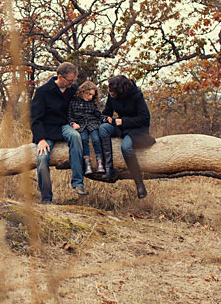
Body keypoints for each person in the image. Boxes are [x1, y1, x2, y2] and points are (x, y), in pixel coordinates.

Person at [30, 62, 86, 204]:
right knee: (42, 160)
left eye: (74, 81)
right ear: (60, 77)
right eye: (70, 80)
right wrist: (41, 139)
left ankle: (78, 183)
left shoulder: (72, 89)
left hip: (64, 126)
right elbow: (35, 119)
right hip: (45, 131)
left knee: (75, 136)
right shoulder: (42, 92)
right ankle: (46, 199)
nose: (72, 83)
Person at [98, 75, 156, 198]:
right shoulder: (111, 95)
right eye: (109, 90)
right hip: (120, 127)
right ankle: (109, 169)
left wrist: (123, 121)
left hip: (137, 130)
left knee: (125, 147)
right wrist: (105, 118)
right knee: (103, 129)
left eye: (112, 91)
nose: (110, 93)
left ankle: (139, 184)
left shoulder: (136, 95)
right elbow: (106, 113)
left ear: (121, 91)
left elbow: (145, 119)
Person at [67, 81, 105, 175]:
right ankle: (87, 164)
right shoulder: (73, 102)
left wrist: (105, 119)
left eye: (93, 95)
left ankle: (100, 163)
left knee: (96, 139)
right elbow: (69, 116)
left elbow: (98, 115)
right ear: (83, 91)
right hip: (80, 125)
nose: (90, 97)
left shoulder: (92, 104)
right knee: (84, 140)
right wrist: (73, 123)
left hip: (92, 124)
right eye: (89, 94)